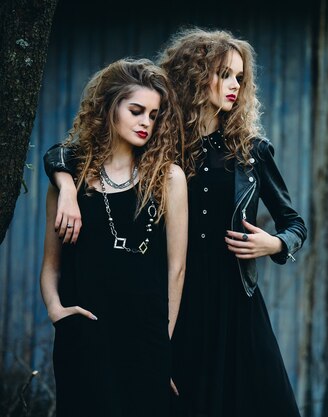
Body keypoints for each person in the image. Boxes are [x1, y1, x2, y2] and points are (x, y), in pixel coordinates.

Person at [43, 29, 307, 417]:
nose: (234, 85)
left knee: (264, 400)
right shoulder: (162, 140)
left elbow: (295, 224)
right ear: (195, 75)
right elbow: (71, 152)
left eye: (239, 77)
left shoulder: (251, 151)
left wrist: (276, 244)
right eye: (224, 74)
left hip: (234, 300)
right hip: (175, 299)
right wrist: (65, 184)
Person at [39, 58, 188, 417]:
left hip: (145, 342)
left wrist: (161, 347)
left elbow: (176, 269)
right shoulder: (69, 184)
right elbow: (50, 267)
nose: (145, 123)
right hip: (85, 341)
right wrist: (57, 313)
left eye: (153, 115)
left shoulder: (168, 179)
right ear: (109, 107)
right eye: (136, 110)